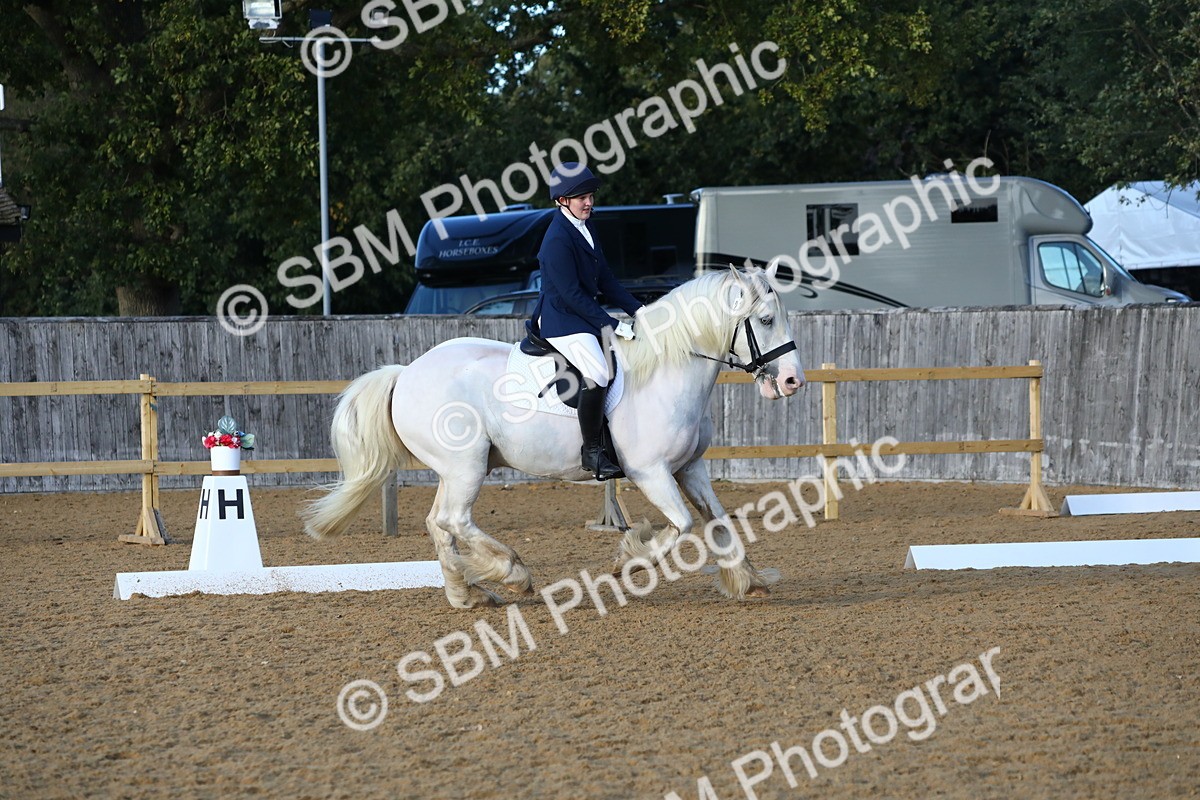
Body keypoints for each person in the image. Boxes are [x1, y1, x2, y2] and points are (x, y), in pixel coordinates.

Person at [527, 162, 644, 480]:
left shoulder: (586, 227)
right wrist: (612, 323)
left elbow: (606, 280)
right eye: (581, 197)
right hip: (561, 320)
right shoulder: (556, 241)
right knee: (598, 370)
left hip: (581, 317)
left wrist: (638, 310)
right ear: (562, 200)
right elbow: (570, 296)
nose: (589, 202)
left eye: (590, 195)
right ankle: (591, 452)